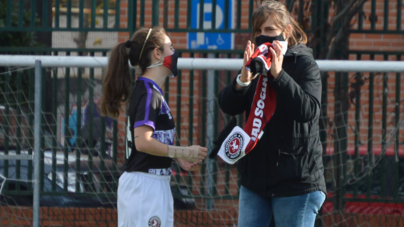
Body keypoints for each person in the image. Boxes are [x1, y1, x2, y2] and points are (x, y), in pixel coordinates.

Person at [217, 1, 326, 226]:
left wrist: (279, 75)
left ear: (286, 31)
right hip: (255, 182)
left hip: (296, 182)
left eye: (270, 30)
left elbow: (309, 110)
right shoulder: (257, 62)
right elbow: (228, 106)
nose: (263, 36)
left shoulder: (303, 63)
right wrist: (242, 81)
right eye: (258, 31)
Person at [100, 27, 208, 227]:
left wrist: (177, 157)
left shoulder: (151, 92)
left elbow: (152, 139)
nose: (175, 53)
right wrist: (182, 150)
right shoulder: (149, 94)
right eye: (171, 47)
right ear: (157, 53)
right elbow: (143, 142)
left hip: (154, 184)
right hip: (145, 187)